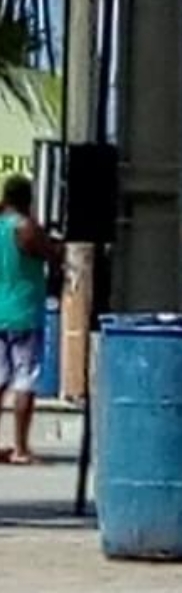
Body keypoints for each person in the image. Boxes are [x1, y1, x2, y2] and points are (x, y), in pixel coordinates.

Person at [0, 176, 60, 465]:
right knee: (25, 379)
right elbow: (51, 253)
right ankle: (21, 448)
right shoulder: (26, 229)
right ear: (27, 198)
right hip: (24, 311)